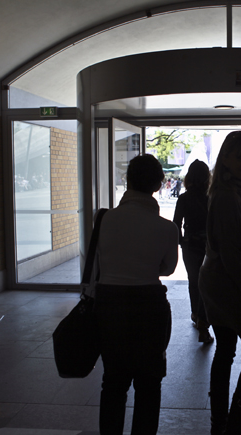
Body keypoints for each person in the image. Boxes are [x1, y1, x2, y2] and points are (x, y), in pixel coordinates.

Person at [91, 154, 179, 435]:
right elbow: (168, 268)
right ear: (158, 185)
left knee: (113, 382)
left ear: (127, 180)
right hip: (150, 307)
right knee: (149, 384)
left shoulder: (104, 219)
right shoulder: (167, 228)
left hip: (109, 306)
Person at [199, 131, 241, 435]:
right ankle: (234, 427)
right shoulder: (228, 197)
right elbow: (231, 254)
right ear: (225, 158)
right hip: (231, 286)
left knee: (225, 351)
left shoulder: (228, 193)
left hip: (218, 283)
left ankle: (220, 424)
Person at [173, 160, 213, 343]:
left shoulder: (184, 198)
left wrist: (181, 241)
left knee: (193, 281)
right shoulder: (211, 197)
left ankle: (195, 314)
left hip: (190, 245)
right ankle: (204, 322)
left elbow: (176, 223)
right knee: (207, 283)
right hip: (209, 246)